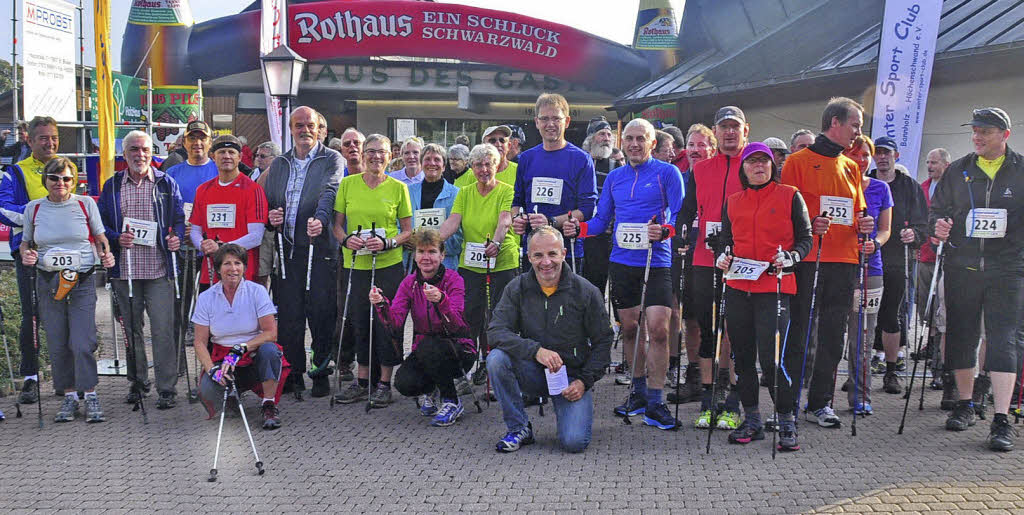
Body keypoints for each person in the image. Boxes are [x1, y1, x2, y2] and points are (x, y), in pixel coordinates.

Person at [563, 118, 683, 430]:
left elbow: (679, 214)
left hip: (655, 264)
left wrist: (665, 230)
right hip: (622, 263)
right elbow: (602, 219)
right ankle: (639, 391)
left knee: (658, 328)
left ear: (652, 143)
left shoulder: (668, 173)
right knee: (630, 329)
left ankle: (657, 401)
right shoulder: (616, 177)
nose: (634, 144)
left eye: (640, 138)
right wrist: (581, 229)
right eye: (629, 138)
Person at [931, 107, 1023, 451]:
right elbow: (937, 210)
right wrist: (937, 227)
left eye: (985, 131)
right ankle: (965, 404)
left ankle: (1001, 418)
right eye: (974, 131)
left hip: (1007, 268)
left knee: (1004, 340)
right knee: (962, 335)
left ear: (1004, 135)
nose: (977, 137)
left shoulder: (1020, 169)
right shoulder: (958, 170)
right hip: (963, 267)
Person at [781, 97, 873, 428]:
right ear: (835, 122)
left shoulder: (851, 166)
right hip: (809, 260)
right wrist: (809, 224)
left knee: (835, 335)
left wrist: (865, 226)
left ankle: (820, 402)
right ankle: (787, 404)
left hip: (845, 260)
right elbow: (786, 212)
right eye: (855, 125)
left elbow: (858, 211)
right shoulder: (797, 161)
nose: (858, 132)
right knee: (800, 332)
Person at [713, 142, 812, 450]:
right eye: (752, 162)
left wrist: (792, 257)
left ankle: (786, 420)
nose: (759, 166)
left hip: (775, 287)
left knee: (771, 360)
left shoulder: (790, 196)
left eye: (764, 162)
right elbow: (725, 242)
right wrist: (722, 257)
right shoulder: (732, 201)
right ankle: (753, 419)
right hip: (739, 287)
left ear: (773, 166)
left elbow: (805, 239)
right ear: (743, 168)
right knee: (741, 359)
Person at [487, 226, 612, 452]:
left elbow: (604, 342)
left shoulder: (586, 291)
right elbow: (495, 331)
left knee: (574, 443)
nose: (546, 262)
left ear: (564, 253)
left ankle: (570, 412)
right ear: (529, 257)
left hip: (571, 378)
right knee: (496, 359)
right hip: (532, 370)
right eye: (538, 255)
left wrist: (584, 382)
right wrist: (535, 350)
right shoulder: (517, 287)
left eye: (552, 254)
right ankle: (519, 427)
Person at [20, 157, 115, 422]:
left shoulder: (85, 204)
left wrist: (105, 254)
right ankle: (70, 396)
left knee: (82, 341)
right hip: (49, 280)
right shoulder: (34, 208)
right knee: (58, 341)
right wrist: (28, 255)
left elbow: (100, 237)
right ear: (46, 180)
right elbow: (26, 243)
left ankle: (91, 393)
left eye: (66, 179)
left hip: (81, 279)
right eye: (54, 178)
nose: (60, 183)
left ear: (74, 181)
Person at [98, 130, 186, 409]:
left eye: (145, 149)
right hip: (125, 272)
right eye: (134, 150)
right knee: (131, 331)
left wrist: (176, 236)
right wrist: (115, 237)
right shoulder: (112, 186)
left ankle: (166, 389)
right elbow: (100, 226)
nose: (140, 154)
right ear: (124, 155)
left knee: (163, 331)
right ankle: (138, 383)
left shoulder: (164, 183)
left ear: (152, 153)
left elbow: (179, 219)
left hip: (159, 271)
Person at [263, 106, 344, 398]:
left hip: (318, 248)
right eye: (298, 125)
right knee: (289, 316)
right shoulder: (280, 163)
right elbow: (271, 200)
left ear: (319, 128)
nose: (304, 130)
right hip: (288, 252)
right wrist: (271, 217)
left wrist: (321, 220)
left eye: (310, 125)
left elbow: (331, 191)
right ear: (290, 128)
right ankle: (293, 372)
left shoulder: (331, 158)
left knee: (322, 313)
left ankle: (320, 370)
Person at [679, 106, 749, 430]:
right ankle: (709, 400)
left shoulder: (753, 166)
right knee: (707, 330)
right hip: (704, 259)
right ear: (715, 132)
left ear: (745, 131)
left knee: (735, 331)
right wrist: (679, 234)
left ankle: (734, 400)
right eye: (724, 127)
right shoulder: (701, 169)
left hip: (741, 260)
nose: (730, 132)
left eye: (735, 126)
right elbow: (687, 210)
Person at [332, 133, 413, 407]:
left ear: (391, 156)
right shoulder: (347, 184)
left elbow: (408, 231)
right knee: (357, 321)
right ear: (363, 154)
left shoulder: (398, 188)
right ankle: (363, 380)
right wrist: (346, 239)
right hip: (356, 265)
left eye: (382, 152)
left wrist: (388, 242)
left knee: (386, 323)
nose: (376, 156)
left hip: (388, 265)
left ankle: (384, 383)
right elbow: (337, 226)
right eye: (371, 151)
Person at [438, 144, 520, 395]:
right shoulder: (464, 192)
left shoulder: (507, 190)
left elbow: (505, 219)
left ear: (496, 165)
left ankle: (499, 374)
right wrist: (433, 241)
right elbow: (453, 221)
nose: (484, 169)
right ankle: (466, 369)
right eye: (478, 165)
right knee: (469, 318)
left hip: (502, 260)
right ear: (471, 167)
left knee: (499, 317)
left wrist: (496, 242)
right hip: (471, 264)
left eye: (488, 164)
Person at [375, 228, 473, 426]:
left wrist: (441, 300)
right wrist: (381, 304)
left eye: (432, 252)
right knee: (404, 383)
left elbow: (456, 323)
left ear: (442, 255)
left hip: (459, 349)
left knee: (429, 344)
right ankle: (432, 389)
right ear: (415, 255)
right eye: (421, 252)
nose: (426, 257)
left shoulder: (454, 280)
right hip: (425, 349)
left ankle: (452, 401)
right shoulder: (409, 283)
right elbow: (395, 322)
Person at [0, 116, 60, 404]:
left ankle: (66, 374)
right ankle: (31, 377)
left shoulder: (65, 168)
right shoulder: (16, 171)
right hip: (28, 252)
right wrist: (39, 213)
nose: (49, 143)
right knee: (32, 315)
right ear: (30, 140)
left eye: (53, 137)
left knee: (65, 314)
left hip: (63, 253)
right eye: (43, 138)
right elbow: (3, 209)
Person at [194, 244, 286, 430]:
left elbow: (271, 333)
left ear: (244, 267)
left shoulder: (257, 291)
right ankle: (231, 396)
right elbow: (199, 342)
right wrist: (212, 370)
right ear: (218, 269)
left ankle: (269, 404)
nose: (233, 269)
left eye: (238, 263)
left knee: (270, 350)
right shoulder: (206, 297)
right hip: (222, 358)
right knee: (207, 391)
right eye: (227, 263)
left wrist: (242, 347)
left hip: (252, 354)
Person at [868, 136, 927, 395]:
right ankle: (860, 370)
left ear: (896, 156)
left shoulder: (909, 186)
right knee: (862, 318)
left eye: (886, 153)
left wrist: (914, 234)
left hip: (895, 259)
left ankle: (892, 372)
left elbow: (923, 223)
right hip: (865, 258)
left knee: (891, 315)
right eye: (877, 153)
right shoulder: (864, 180)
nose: (882, 157)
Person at [512, 93, 597, 274]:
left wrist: (551, 222)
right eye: (544, 119)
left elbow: (587, 208)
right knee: (532, 302)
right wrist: (516, 219)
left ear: (566, 121)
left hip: (567, 250)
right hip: (533, 250)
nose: (550, 124)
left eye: (556, 119)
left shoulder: (581, 159)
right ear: (536, 122)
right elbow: (517, 201)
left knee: (568, 302)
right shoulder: (526, 158)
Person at [840, 135, 892, 414]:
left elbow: (886, 229)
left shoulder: (881, 188)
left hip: (870, 269)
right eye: (855, 154)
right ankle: (819, 399)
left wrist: (876, 242)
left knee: (862, 337)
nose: (861, 160)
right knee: (833, 335)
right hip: (839, 269)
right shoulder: (836, 187)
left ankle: (861, 397)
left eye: (865, 155)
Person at [667, 123, 716, 404]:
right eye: (692, 145)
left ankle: (719, 377)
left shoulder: (720, 175)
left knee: (718, 322)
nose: (696, 150)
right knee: (691, 320)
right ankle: (694, 375)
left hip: (715, 257)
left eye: (701, 144)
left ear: (712, 147)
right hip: (685, 255)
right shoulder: (681, 177)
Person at [188, 135, 268, 288]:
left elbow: (256, 237)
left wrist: (223, 247)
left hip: (242, 273)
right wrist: (202, 245)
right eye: (221, 152)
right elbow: (195, 230)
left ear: (240, 157)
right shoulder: (203, 190)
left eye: (231, 152)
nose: (226, 156)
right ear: (213, 157)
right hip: (211, 272)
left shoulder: (253, 189)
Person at [919, 148, 951, 397]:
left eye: (934, 162)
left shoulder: (954, 187)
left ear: (946, 164)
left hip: (948, 261)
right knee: (926, 308)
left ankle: (940, 368)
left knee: (944, 313)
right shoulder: (923, 187)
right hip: (925, 257)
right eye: (928, 162)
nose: (930, 166)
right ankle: (930, 348)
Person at [580, 117, 620, 294]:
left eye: (609, 134)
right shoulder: (579, 162)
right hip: (579, 230)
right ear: (590, 138)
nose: (606, 138)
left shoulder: (616, 164)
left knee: (598, 283)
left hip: (604, 233)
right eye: (601, 134)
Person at [407, 143, 462, 270]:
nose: (432, 163)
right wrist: (407, 239)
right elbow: (400, 223)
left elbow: (460, 233)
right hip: (414, 261)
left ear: (443, 166)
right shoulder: (408, 192)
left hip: (446, 262)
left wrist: (435, 245)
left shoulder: (457, 194)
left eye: (437, 159)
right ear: (421, 164)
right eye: (427, 159)